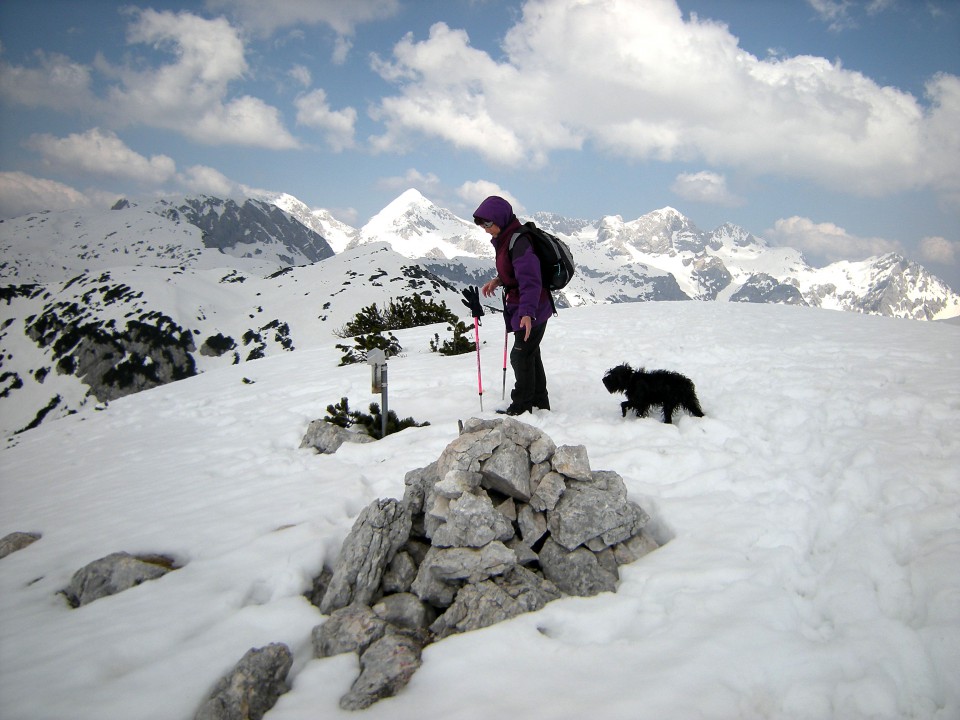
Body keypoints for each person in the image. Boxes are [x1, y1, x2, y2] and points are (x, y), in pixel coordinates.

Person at [473, 195, 554, 416]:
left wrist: (528, 313)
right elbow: (515, 272)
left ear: (500, 218)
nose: (485, 229)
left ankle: (521, 407)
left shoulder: (519, 241)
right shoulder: (507, 239)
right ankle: (540, 403)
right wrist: (499, 280)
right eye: (482, 225)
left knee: (520, 356)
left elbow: (530, 280)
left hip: (532, 309)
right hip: (527, 307)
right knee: (530, 354)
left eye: (488, 223)